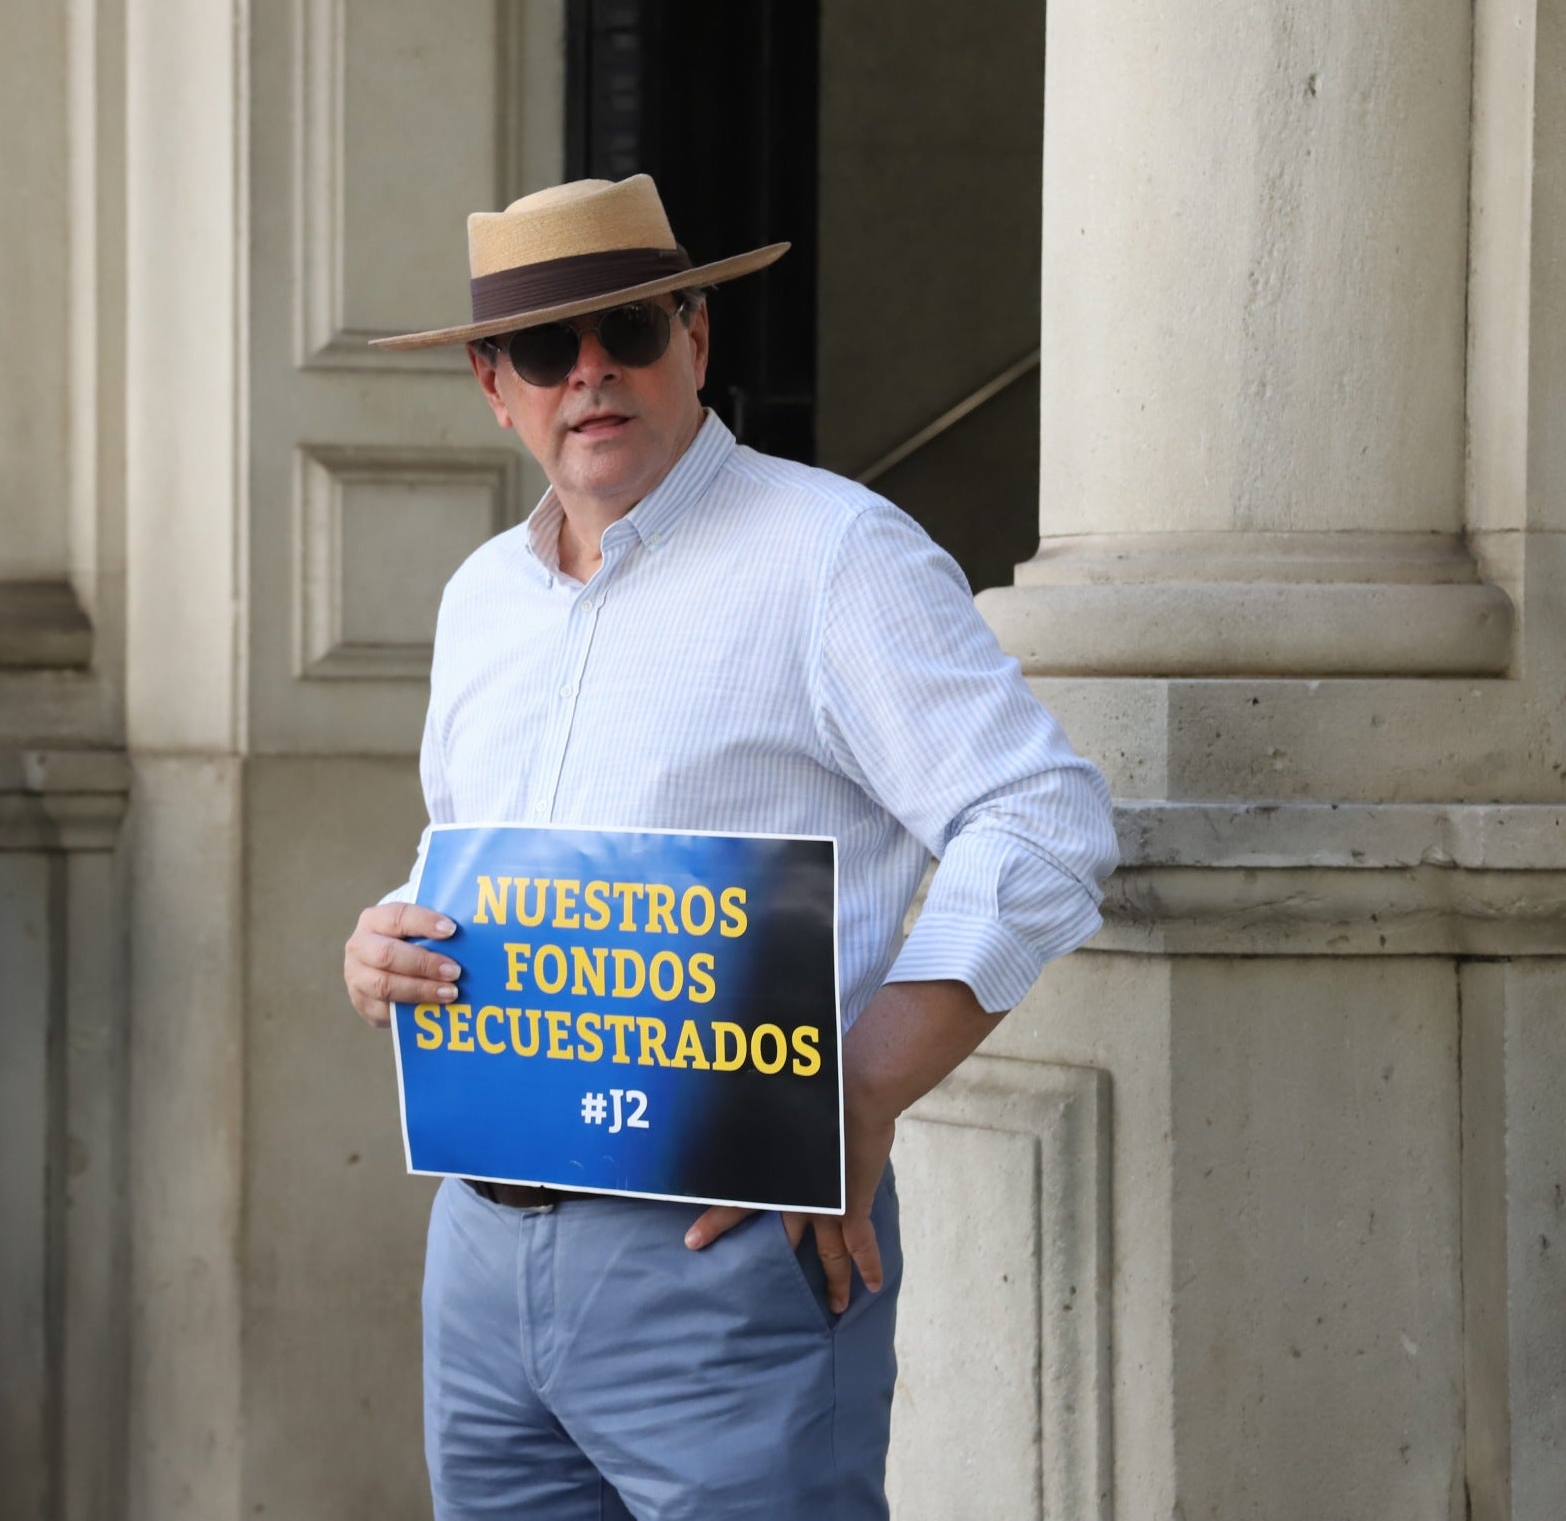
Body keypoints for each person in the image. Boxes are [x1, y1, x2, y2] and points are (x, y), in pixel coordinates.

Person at [342, 175, 1118, 1518]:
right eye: (545, 350)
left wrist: (863, 1088)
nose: (590, 373)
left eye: (630, 330)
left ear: (695, 338)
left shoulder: (834, 555)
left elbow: (1040, 820)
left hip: (724, 1250)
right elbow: (477, 856)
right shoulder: (483, 600)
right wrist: (387, 941)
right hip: (480, 1249)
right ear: (494, 385)